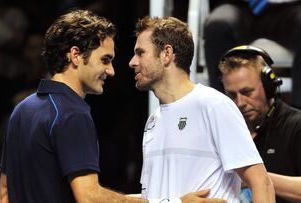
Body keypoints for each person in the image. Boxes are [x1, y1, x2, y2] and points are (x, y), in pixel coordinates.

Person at [0, 9, 227, 203]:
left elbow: (4, 195)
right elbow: (89, 196)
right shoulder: (72, 113)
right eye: (104, 60)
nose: (111, 71)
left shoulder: (22, 109)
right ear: (76, 56)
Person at [128, 16, 275, 202]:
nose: (132, 62)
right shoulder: (153, 121)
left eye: (140, 53)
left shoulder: (214, 106)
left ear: (167, 53)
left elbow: (262, 183)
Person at [218, 45, 301, 203]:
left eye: (247, 92)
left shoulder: (296, 126)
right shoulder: (223, 131)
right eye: (231, 95)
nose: (240, 102)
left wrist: (253, 178)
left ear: (269, 86)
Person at [203, 0, 301, 108]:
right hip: (237, 6)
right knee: (217, 27)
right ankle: (222, 111)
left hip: (288, 7)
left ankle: (298, 115)